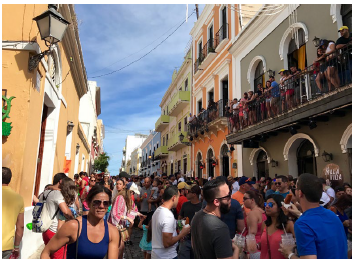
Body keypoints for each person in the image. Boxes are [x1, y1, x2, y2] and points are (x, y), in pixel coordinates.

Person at [279, 173, 347, 259]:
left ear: (300, 193)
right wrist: (298, 214)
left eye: (295, 188)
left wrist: (289, 254)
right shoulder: (332, 215)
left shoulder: (302, 224)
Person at [41, 185, 120, 259]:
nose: (102, 206)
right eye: (97, 202)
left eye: (106, 203)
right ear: (88, 203)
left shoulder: (112, 231)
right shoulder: (74, 226)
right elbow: (46, 252)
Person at [191, 179, 240, 259]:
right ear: (216, 202)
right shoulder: (220, 228)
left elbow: (194, 245)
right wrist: (237, 249)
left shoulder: (197, 216)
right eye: (227, 196)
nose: (231, 198)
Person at [39, 173, 73, 259]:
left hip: (45, 228)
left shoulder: (45, 192)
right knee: (59, 257)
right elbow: (65, 211)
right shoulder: (57, 194)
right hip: (55, 230)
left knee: (48, 254)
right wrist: (72, 218)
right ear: (61, 181)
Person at [151, 186, 190, 259]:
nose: (178, 201)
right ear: (174, 198)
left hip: (156, 254)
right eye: (178, 198)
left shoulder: (158, 210)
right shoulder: (168, 216)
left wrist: (178, 223)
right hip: (167, 256)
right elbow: (167, 243)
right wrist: (182, 234)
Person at [260, 194, 294, 259]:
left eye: (271, 204)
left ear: (279, 207)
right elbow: (264, 243)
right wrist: (257, 245)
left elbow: (300, 241)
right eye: (265, 204)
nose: (267, 206)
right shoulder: (265, 224)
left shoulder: (288, 224)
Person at [2, 167, 24, 259]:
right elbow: (20, 226)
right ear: (10, 179)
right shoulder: (18, 198)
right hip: (6, 246)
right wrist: (16, 246)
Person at [109, 179, 138, 248]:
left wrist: (138, 214)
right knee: (118, 246)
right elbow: (115, 213)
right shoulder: (120, 197)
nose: (132, 194)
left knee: (120, 245)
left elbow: (128, 209)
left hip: (120, 224)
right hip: (116, 225)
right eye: (132, 192)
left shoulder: (123, 197)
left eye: (120, 184)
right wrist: (127, 218)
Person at [178, 184, 202, 259]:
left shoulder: (202, 206)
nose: (186, 192)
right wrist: (180, 232)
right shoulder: (185, 205)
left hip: (198, 240)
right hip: (185, 239)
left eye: (188, 191)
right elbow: (180, 219)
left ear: (194, 194)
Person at [243, 190, 266, 258]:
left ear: (252, 200)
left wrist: (247, 251)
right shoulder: (262, 211)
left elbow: (252, 233)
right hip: (262, 246)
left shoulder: (252, 213)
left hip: (254, 249)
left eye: (245, 199)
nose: (243, 201)